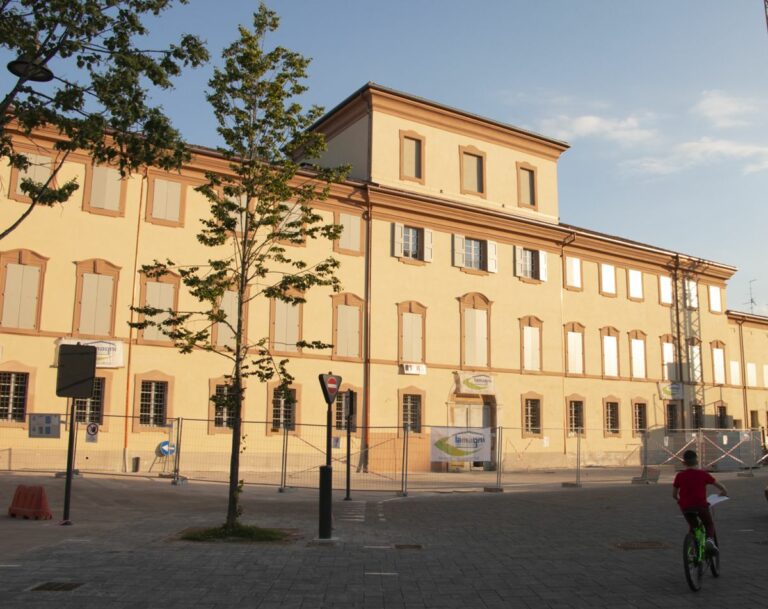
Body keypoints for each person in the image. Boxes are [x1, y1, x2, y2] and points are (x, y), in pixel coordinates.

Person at [673, 449, 728, 553]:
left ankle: (693, 548)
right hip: (701, 506)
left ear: (683, 463)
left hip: (686, 507)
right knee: (708, 524)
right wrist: (724, 492)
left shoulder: (679, 476)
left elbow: (674, 495)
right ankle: (710, 540)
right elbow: (719, 485)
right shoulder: (703, 474)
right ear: (697, 461)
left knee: (694, 526)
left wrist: (681, 500)